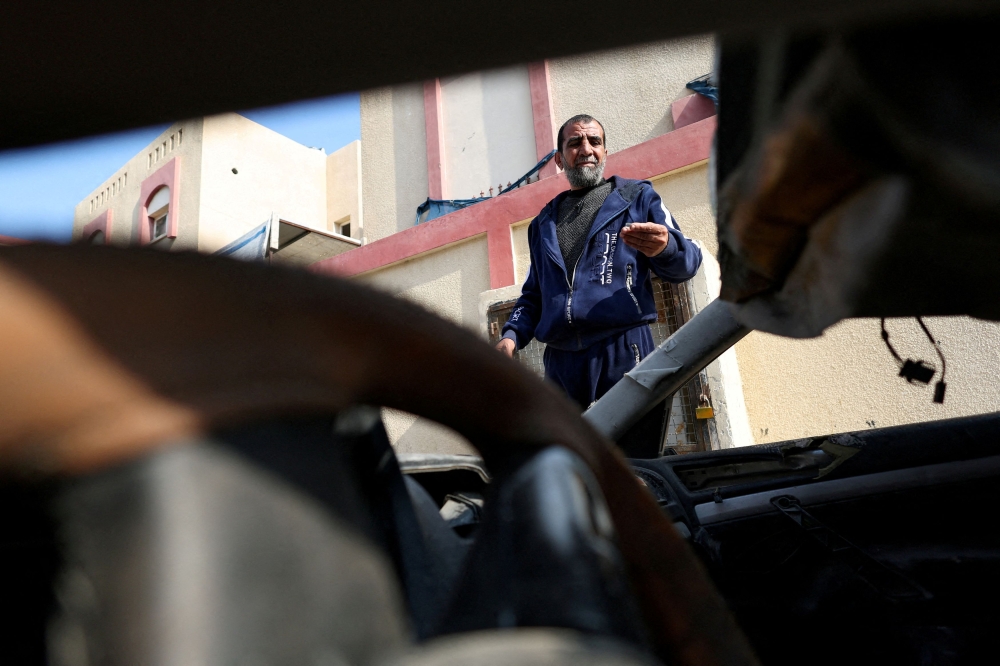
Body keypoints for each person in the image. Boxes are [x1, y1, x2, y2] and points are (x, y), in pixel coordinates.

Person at [496, 114, 703, 415]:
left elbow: (688, 264)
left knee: (632, 444)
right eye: (574, 143)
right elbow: (533, 296)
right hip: (560, 367)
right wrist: (510, 337)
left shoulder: (637, 198)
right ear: (559, 159)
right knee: (566, 445)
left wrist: (667, 247)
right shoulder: (541, 224)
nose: (586, 149)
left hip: (625, 351)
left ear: (605, 152)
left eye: (594, 141)